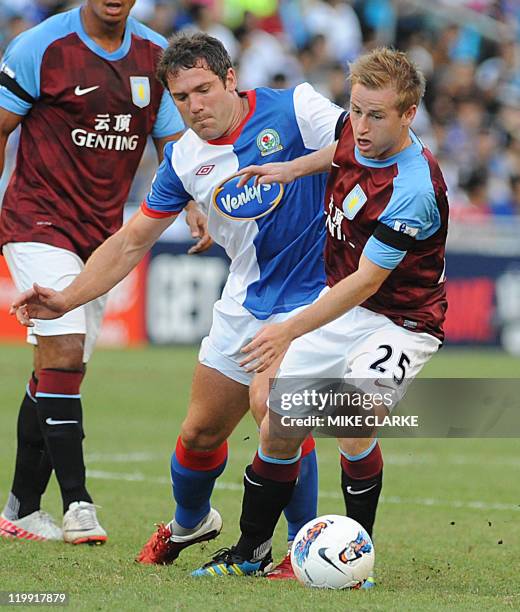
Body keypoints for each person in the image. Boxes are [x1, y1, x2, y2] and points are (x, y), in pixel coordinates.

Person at [9, 33, 345, 576]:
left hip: (319, 296)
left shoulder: (296, 107)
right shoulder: (185, 161)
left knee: (273, 409)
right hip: (246, 300)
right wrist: (65, 298)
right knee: (198, 434)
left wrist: (294, 167)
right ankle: (190, 522)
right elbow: (130, 242)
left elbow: (364, 145)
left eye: (205, 90)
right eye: (182, 97)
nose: (196, 106)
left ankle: (296, 547)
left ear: (231, 79)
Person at [189, 47, 449, 580]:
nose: (361, 124)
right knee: (278, 418)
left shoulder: (414, 189)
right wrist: (289, 169)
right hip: (348, 306)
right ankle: (249, 554)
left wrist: (288, 329)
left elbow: (365, 282)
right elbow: (339, 149)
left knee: (352, 421)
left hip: (402, 320)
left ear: (409, 114)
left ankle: (359, 560)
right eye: (355, 110)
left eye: (377, 115)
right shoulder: (360, 131)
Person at [0, 0, 193, 545]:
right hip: (36, 219)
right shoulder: (40, 47)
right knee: (62, 349)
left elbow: (176, 144)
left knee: (60, 370)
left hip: (104, 237)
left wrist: (197, 202)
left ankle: (20, 507)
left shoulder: (156, 55)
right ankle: (78, 504)